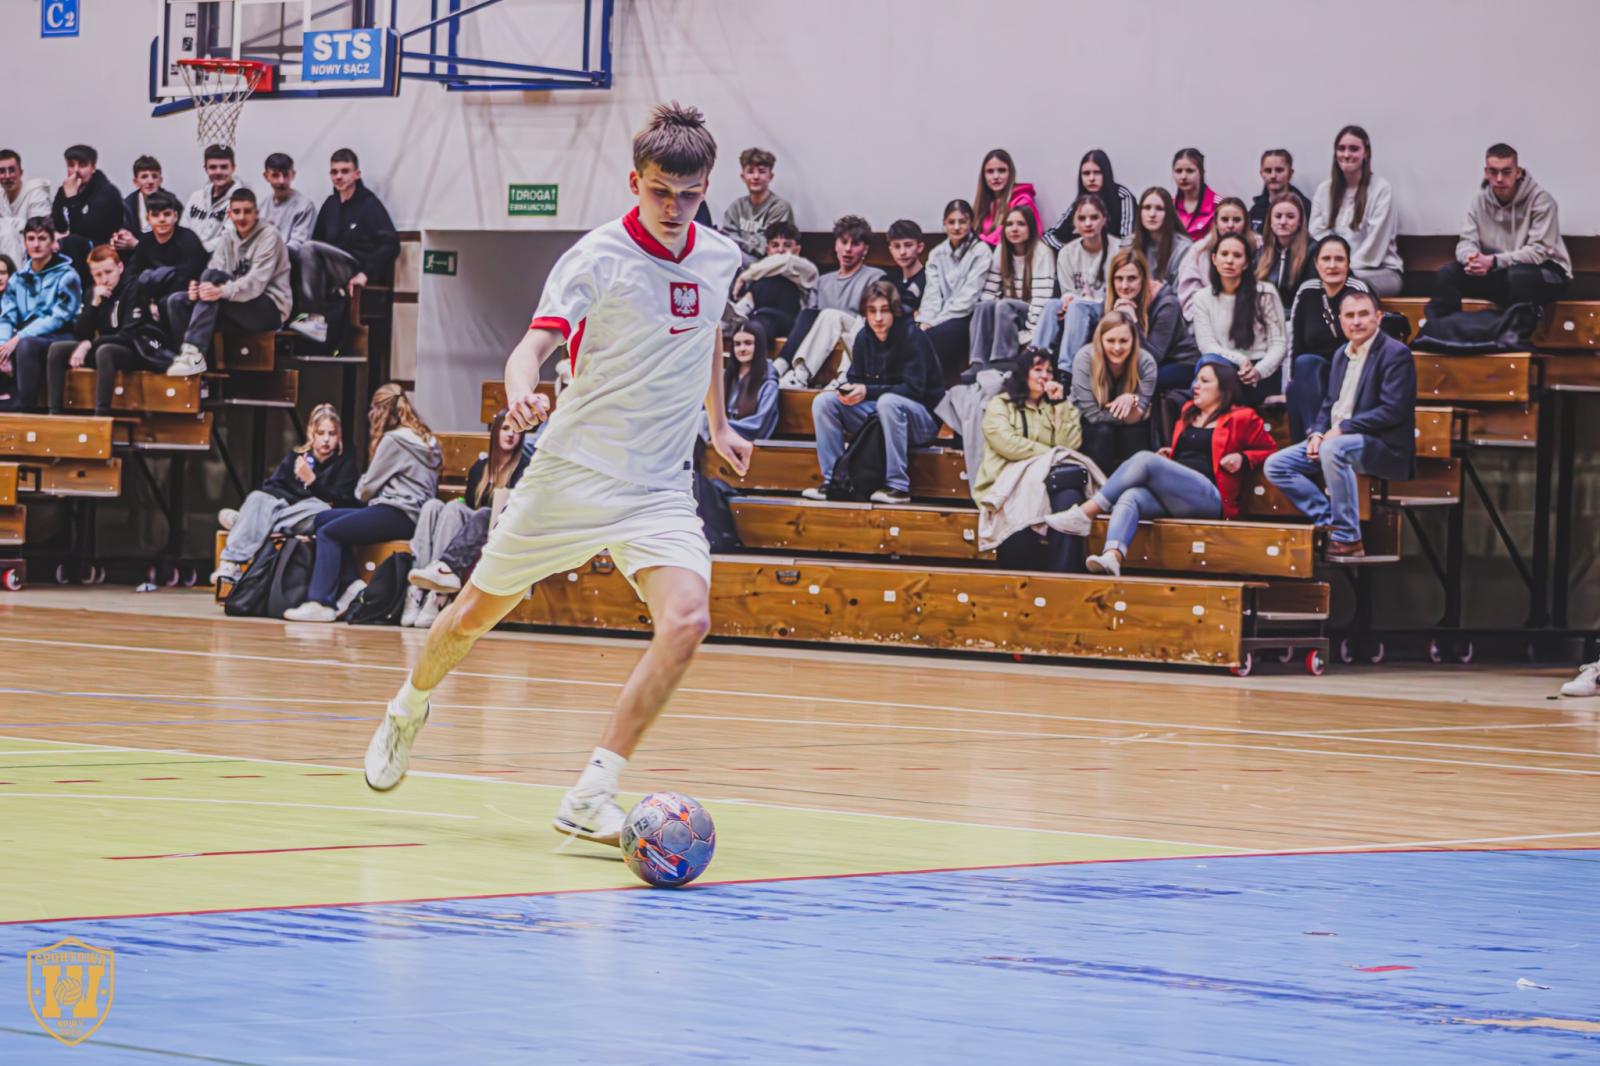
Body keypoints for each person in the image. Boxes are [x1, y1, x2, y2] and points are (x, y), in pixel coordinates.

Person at [363, 103, 752, 847]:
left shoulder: (719, 257)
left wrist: (721, 421)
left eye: (690, 194)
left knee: (688, 621)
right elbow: (531, 350)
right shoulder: (595, 258)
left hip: (659, 488)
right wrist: (521, 394)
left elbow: (704, 334)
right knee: (471, 616)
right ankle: (407, 708)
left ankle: (592, 792)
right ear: (634, 182)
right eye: (660, 192)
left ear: (707, 188)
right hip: (573, 474)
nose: (674, 208)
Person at [1048, 356, 1276, 576]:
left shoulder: (1243, 417)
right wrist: (1171, 456)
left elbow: (1270, 451)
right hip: (1178, 495)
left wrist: (1243, 458)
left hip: (1210, 496)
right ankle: (1112, 555)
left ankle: (1085, 513)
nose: (1196, 385)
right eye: (1196, 379)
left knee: (1145, 459)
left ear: (1224, 389)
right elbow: (1189, 455)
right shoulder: (1188, 412)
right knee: (1131, 495)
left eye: (1205, 381)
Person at [1264, 289, 1416, 559]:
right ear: (1341, 320)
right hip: (1335, 440)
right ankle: (1329, 521)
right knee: (1276, 465)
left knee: (1333, 449)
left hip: (1381, 445)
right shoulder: (1340, 355)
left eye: (1363, 314)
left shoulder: (1396, 354)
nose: (1356, 321)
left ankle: (1349, 537)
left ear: (1378, 317)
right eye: (1349, 315)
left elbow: (1392, 411)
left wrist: (1343, 429)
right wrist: (1317, 433)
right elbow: (1329, 404)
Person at [285, 383, 441, 622]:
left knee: (328, 532)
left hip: (398, 512)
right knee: (322, 518)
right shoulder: (427, 439)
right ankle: (351, 585)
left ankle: (320, 602)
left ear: (379, 411)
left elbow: (364, 491)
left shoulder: (393, 441)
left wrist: (369, 484)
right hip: (413, 514)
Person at [806, 279, 944, 504]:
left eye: (884, 310)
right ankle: (834, 482)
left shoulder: (913, 337)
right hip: (879, 414)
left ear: (894, 311)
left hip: (922, 421)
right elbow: (856, 378)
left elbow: (914, 390)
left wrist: (868, 392)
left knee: (888, 402)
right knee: (824, 402)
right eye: (872, 311)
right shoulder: (863, 337)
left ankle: (897, 486)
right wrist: (849, 392)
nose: (878, 318)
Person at [403, 409, 530, 628]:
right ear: (496, 432)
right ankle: (421, 588)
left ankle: (438, 593)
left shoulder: (525, 468)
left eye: (516, 430)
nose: (510, 434)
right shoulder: (480, 468)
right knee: (436, 506)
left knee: (483, 513)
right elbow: (470, 505)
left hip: (499, 530)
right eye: (505, 428)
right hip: (473, 528)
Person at [212, 404, 361, 584]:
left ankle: (249, 522)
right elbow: (273, 486)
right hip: (286, 510)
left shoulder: (346, 463)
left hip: (309, 515)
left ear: (339, 436)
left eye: (332, 433)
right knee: (258, 497)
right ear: (311, 433)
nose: (326, 439)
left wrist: (312, 482)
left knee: (321, 509)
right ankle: (230, 563)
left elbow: (344, 502)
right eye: (321, 433)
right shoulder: (297, 456)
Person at [1425, 143, 1571, 322]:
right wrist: (1471, 258)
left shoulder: (1542, 201)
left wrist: (1493, 261)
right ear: (1486, 173)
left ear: (1518, 172)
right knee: (1448, 273)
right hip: (1500, 271)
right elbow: (1466, 241)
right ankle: (1442, 332)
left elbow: (1538, 253)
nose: (1499, 179)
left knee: (1520, 276)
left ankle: (1514, 336)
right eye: (1493, 172)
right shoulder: (1479, 201)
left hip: (1547, 274)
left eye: (1506, 172)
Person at [974, 347, 1086, 572]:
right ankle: (1019, 581)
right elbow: (1007, 443)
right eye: (1038, 370)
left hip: (1048, 482)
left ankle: (1063, 577)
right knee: (1019, 510)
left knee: (1071, 501)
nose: (1045, 376)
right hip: (1009, 483)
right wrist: (1050, 453)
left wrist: (1059, 405)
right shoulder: (1000, 404)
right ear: (1024, 372)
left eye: (1049, 371)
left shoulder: (1060, 406)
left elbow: (1069, 446)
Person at [162, 188, 292, 377]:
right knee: (177, 301)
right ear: (229, 214)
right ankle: (198, 373)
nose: (242, 217)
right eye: (237, 212)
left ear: (256, 213)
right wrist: (199, 290)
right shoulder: (226, 238)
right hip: (233, 304)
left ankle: (193, 351)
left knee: (212, 281)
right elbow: (214, 271)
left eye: (247, 211)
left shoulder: (270, 235)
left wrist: (219, 291)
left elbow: (255, 284)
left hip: (268, 308)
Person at [288, 149, 400, 346]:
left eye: (345, 171)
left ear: (357, 174)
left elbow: (391, 243)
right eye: (334, 172)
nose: (339, 176)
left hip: (356, 267)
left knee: (308, 248)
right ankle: (294, 322)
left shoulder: (369, 204)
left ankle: (315, 318)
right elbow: (318, 243)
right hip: (331, 270)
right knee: (298, 256)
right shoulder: (330, 205)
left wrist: (365, 274)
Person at [776, 214, 884, 387]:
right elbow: (810, 318)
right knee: (814, 314)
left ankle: (804, 375)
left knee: (832, 316)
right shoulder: (822, 281)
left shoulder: (875, 277)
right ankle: (794, 374)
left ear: (865, 249)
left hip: (857, 333)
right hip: (825, 337)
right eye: (843, 242)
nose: (848, 249)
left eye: (855, 244)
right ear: (835, 244)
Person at [1284, 235, 1372, 440]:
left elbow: (1368, 340)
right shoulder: (1307, 291)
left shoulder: (1357, 290)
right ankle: (1313, 436)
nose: (1332, 265)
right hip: (1313, 372)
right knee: (1300, 374)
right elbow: (1295, 345)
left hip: (1349, 369)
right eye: (1326, 259)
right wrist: (1292, 381)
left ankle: (1316, 438)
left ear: (1348, 263)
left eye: (1339, 259)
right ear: (1316, 263)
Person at [1191, 233, 1287, 406]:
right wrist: (1240, 360)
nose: (1229, 261)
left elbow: (1279, 344)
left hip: (1260, 373)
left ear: (1246, 263)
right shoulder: (1202, 298)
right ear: (1214, 259)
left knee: (1204, 378)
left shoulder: (1265, 293)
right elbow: (1207, 345)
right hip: (1224, 367)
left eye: (1237, 256)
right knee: (1207, 363)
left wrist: (1258, 371)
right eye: (1224, 254)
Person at [1310, 126, 1403, 297]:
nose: (1346, 154)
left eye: (1353, 149)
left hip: (1380, 272)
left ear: (1365, 153)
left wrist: (1342, 268)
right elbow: (1317, 234)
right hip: (1336, 270)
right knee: (1312, 284)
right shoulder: (1324, 190)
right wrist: (1332, 265)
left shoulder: (1380, 189)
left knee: (1347, 283)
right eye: (1341, 149)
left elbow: (1375, 245)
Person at [0, 217, 82, 410]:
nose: (36, 244)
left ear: (52, 242)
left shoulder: (68, 276)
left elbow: (58, 318)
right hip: (25, 337)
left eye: (42, 238)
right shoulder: (17, 279)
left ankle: (25, 406)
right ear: (24, 242)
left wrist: (19, 337)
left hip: (61, 336)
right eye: (31, 238)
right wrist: (3, 347)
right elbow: (7, 317)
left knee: (26, 344)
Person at [965, 206, 1054, 380]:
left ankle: (1003, 359)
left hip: (1029, 314)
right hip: (1004, 315)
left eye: (1021, 224)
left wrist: (1029, 336)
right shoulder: (1001, 250)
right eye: (1009, 224)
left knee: (1004, 304)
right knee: (983, 305)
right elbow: (989, 290)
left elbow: (1041, 302)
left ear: (1031, 227)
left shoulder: (1042, 252)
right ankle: (977, 363)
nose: (1014, 229)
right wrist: (988, 323)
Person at [45, 244, 135, 415]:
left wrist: (89, 344)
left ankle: (101, 415)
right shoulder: (93, 293)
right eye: (98, 275)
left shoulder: (133, 289)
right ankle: (54, 412)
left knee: (105, 351)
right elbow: (81, 334)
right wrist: (94, 303)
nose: (104, 279)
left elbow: (129, 335)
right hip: (102, 348)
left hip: (130, 350)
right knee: (57, 349)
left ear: (120, 267)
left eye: (108, 272)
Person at [1068, 309, 1157, 473]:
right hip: (1086, 424)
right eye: (1110, 340)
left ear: (1133, 340)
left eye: (1124, 341)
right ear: (1100, 340)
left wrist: (1132, 399)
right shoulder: (1085, 358)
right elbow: (1093, 415)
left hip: (1127, 426)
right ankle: (1099, 485)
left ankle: (1135, 484)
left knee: (1136, 434)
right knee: (1103, 432)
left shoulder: (1146, 362)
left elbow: (1138, 416)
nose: (1117, 347)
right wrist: (1132, 412)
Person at [1038, 194, 1123, 359]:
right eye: (1082, 218)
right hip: (1075, 309)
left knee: (1078, 305)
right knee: (1051, 305)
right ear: (1075, 223)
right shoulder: (1066, 253)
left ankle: (1067, 367)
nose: (1088, 223)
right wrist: (1067, 300)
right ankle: (1038, 356)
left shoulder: (1118, 250)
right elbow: (1067, 292)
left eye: (1094, 217)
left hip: (1107, 309)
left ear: (1104, 219)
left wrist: (1081, 301)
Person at [1106, 248, 1198, 394]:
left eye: (1132, 278)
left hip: (1181, 362)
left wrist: (1132, 321)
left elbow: (1152, 358)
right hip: (1148, 363)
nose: (1124, 286)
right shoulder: (1115, 301)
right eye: (1119, 278)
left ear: (1143, 279)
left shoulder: (1167, 304)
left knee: (1139, 380)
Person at [918, 198, 992, 375]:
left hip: (967, 316)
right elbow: (932, 293)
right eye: (951, 222)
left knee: (933, 338)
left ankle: (928, 386)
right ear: (944, 224)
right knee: (912, 334)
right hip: (940, 315)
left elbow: (968, 298)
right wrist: (926, 320)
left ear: (971, 223)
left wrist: (935, 322)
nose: (957, 227)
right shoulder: (936, 254)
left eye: (962, 222)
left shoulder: (981, 251)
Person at [729, 219, 814, 352]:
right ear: (767, 250)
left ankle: (740, 310)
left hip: (789, 321)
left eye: (787, 245)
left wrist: (744, 276)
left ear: (797, 250)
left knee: (775, 281)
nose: (780, 250)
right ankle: (738, 313)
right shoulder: (761, 272)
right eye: (775, 245)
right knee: (764, 283)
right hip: (759, 318)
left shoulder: (805, 269)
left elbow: (786, 260)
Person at [1176, 196, 1255, 316]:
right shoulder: (1198, 251)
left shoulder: (1259, 248)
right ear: (1216, 223)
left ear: (1245, 223)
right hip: (1206, 316)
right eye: (1224, 219)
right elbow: (1188, 293)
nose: (1230, 225)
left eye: (1236, 220)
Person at [50, 145, 123, 271]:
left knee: (72, 242)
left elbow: (84, 232)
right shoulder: (65, 189)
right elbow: (57, 224)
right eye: (71, 165)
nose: (76, 171)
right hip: (70, 247)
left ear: (93, 167)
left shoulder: (107, 193)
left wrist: (72, 199)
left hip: (101, 250)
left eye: (82, 165)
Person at [1045, 149, 1137, 247]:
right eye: (1086, 173)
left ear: (1106, 173)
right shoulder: (1080, 202)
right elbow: (1049, 235)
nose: (1091, 178)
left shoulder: (1122, 197)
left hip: (1114, 254)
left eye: (1097, 172)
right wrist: (1067, 251)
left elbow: (1127, 240)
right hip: (1081, 254)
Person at [720, 147, 794, 264]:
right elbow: (726, 239)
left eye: (762, 171)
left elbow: (767, 246)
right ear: (743, 177)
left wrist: (739, 244)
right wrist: (748, 245)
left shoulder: (780, 207)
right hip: (737, 262)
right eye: (750, 171)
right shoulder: (736, 207)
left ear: (770, 176)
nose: (756, 176)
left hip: (768, 265)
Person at [718, 321, 779, 441]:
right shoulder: (726, 376)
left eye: (748, 343)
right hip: (719, 436)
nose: (742, 349)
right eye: (737, 344)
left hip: (747, 441)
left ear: (759, 345)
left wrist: (720, 427)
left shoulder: (768, 383)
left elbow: (759, 426)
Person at [181, 144, 247, 254]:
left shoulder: (242, 200)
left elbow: (229, 237)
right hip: (187, 255)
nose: (218, 172)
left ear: (233, 168)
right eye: (212, 167)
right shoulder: (196, 196)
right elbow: (182, 230)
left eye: (224, 167)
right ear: (206, 169)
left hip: (219, 258)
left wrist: (198, 251)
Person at [1256, 192, 1312, 309]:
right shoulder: (1260, 251)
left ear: (1300, 221)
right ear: (1270, 221)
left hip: (1297, 316)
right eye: (1278, 216)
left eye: (1290, 217)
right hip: (1266, 314)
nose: (1283, 222)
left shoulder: (1312, 251)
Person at [974, 149, 1040, 246]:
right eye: (990, 171)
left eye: (1002, 170)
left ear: (1011, 173)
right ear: (983, 176)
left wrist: (977, 241)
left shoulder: (1023, 201)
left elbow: (1003, 236)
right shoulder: (984, 204)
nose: (996, 176)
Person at [260, 152, 318, 257]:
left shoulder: (304, 206)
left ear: (293, 175)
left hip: (291, 263)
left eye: (285, 175)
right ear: (266, 176)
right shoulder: (263, 205)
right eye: (275, 175)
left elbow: (298, 246)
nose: (281, 181)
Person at [0, 150, 52, 267]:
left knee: (7, 232)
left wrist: (6, 224)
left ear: (21, 172)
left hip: (34, 250)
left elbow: (40, 228)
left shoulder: (36, 193)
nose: (7, 176)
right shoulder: (1, 196)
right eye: (2, 171)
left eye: (12, 170)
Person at [1132, 186, 1191, 287]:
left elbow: (1181, 291)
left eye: (1159, 209)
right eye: (1147, 208)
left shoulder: (1183, 249)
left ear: (1168, 214)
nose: (1152, 214)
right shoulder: (1128, 245)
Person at [1249, 149, 1311, 234]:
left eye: (1279, 170)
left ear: (1290, 173)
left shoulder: (1304, 207)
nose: (1273, 176)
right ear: (1261, 174)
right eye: (1268, 171)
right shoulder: (1256, 210)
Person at [114, 155, 164, 253]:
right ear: (136, 182)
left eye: (154, 176)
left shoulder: (172, 203)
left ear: (160, 180)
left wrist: (137, 244)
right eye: (144, 177)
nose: (150, 181)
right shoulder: (127, 205)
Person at [1171, 148, 1216, 241]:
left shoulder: (1218, 205)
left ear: (1201, 173)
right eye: (1178, 171)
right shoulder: (1169, 206)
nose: (1183, 176)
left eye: (1190, 171)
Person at [883, 219, 927, 314]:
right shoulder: (887, 279)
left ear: (920, 247)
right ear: (890, 250)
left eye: (908, 245)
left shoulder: (930, 278)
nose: (902, 252)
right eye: (897, 246)